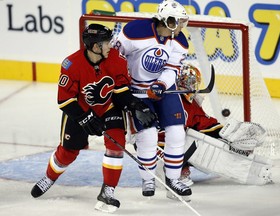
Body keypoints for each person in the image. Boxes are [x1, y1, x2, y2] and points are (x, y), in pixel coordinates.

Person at [30, 23, 156, 213]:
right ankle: (49, 177)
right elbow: (64, 100)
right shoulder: (71, 64)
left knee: (116, 146)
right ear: (96, 47)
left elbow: (120, 91)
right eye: (106, 43)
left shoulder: (116, 59)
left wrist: (135, 105)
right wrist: (84, 117)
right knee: (67, 153)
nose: (111, 46)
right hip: (79, 110)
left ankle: (108, 190)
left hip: (109, 107)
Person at [114, 0, 192, 199]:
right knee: (147, 136)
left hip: (163, 91)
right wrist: (124, 87)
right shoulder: (134, 31)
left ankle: (173, 179)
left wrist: (161, 85)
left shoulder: (180, 41)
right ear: (167, 20)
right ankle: (148, 178)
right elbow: (116, 58)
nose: (182, 26)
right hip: (137, 93)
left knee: (176, 133)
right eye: (179, 21)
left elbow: (172, 68)